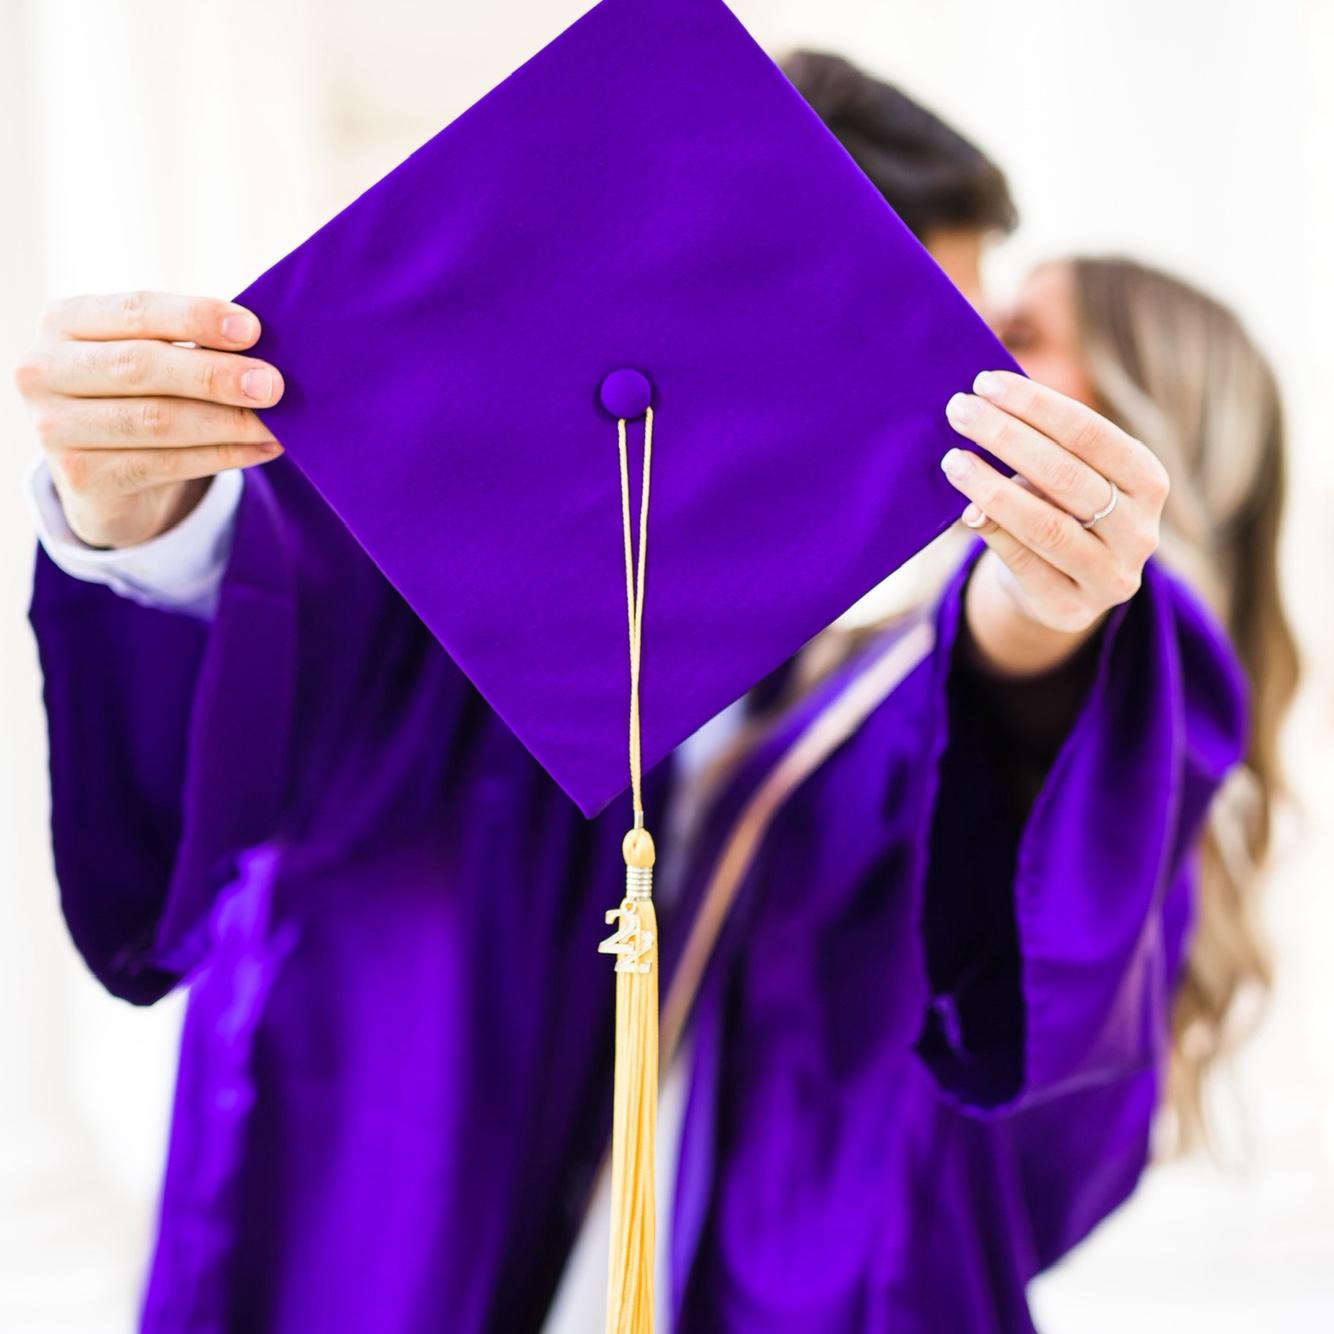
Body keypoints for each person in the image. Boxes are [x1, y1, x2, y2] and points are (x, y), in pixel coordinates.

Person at [13, 52, 1279, 1334]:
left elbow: (1020, 856)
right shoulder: (487, 536)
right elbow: (277, 697)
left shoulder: (896, 668)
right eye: (941, 326)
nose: (942, 383)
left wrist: (1044, 624)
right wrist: (139, 513)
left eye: (997, 332)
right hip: (373, 1211)